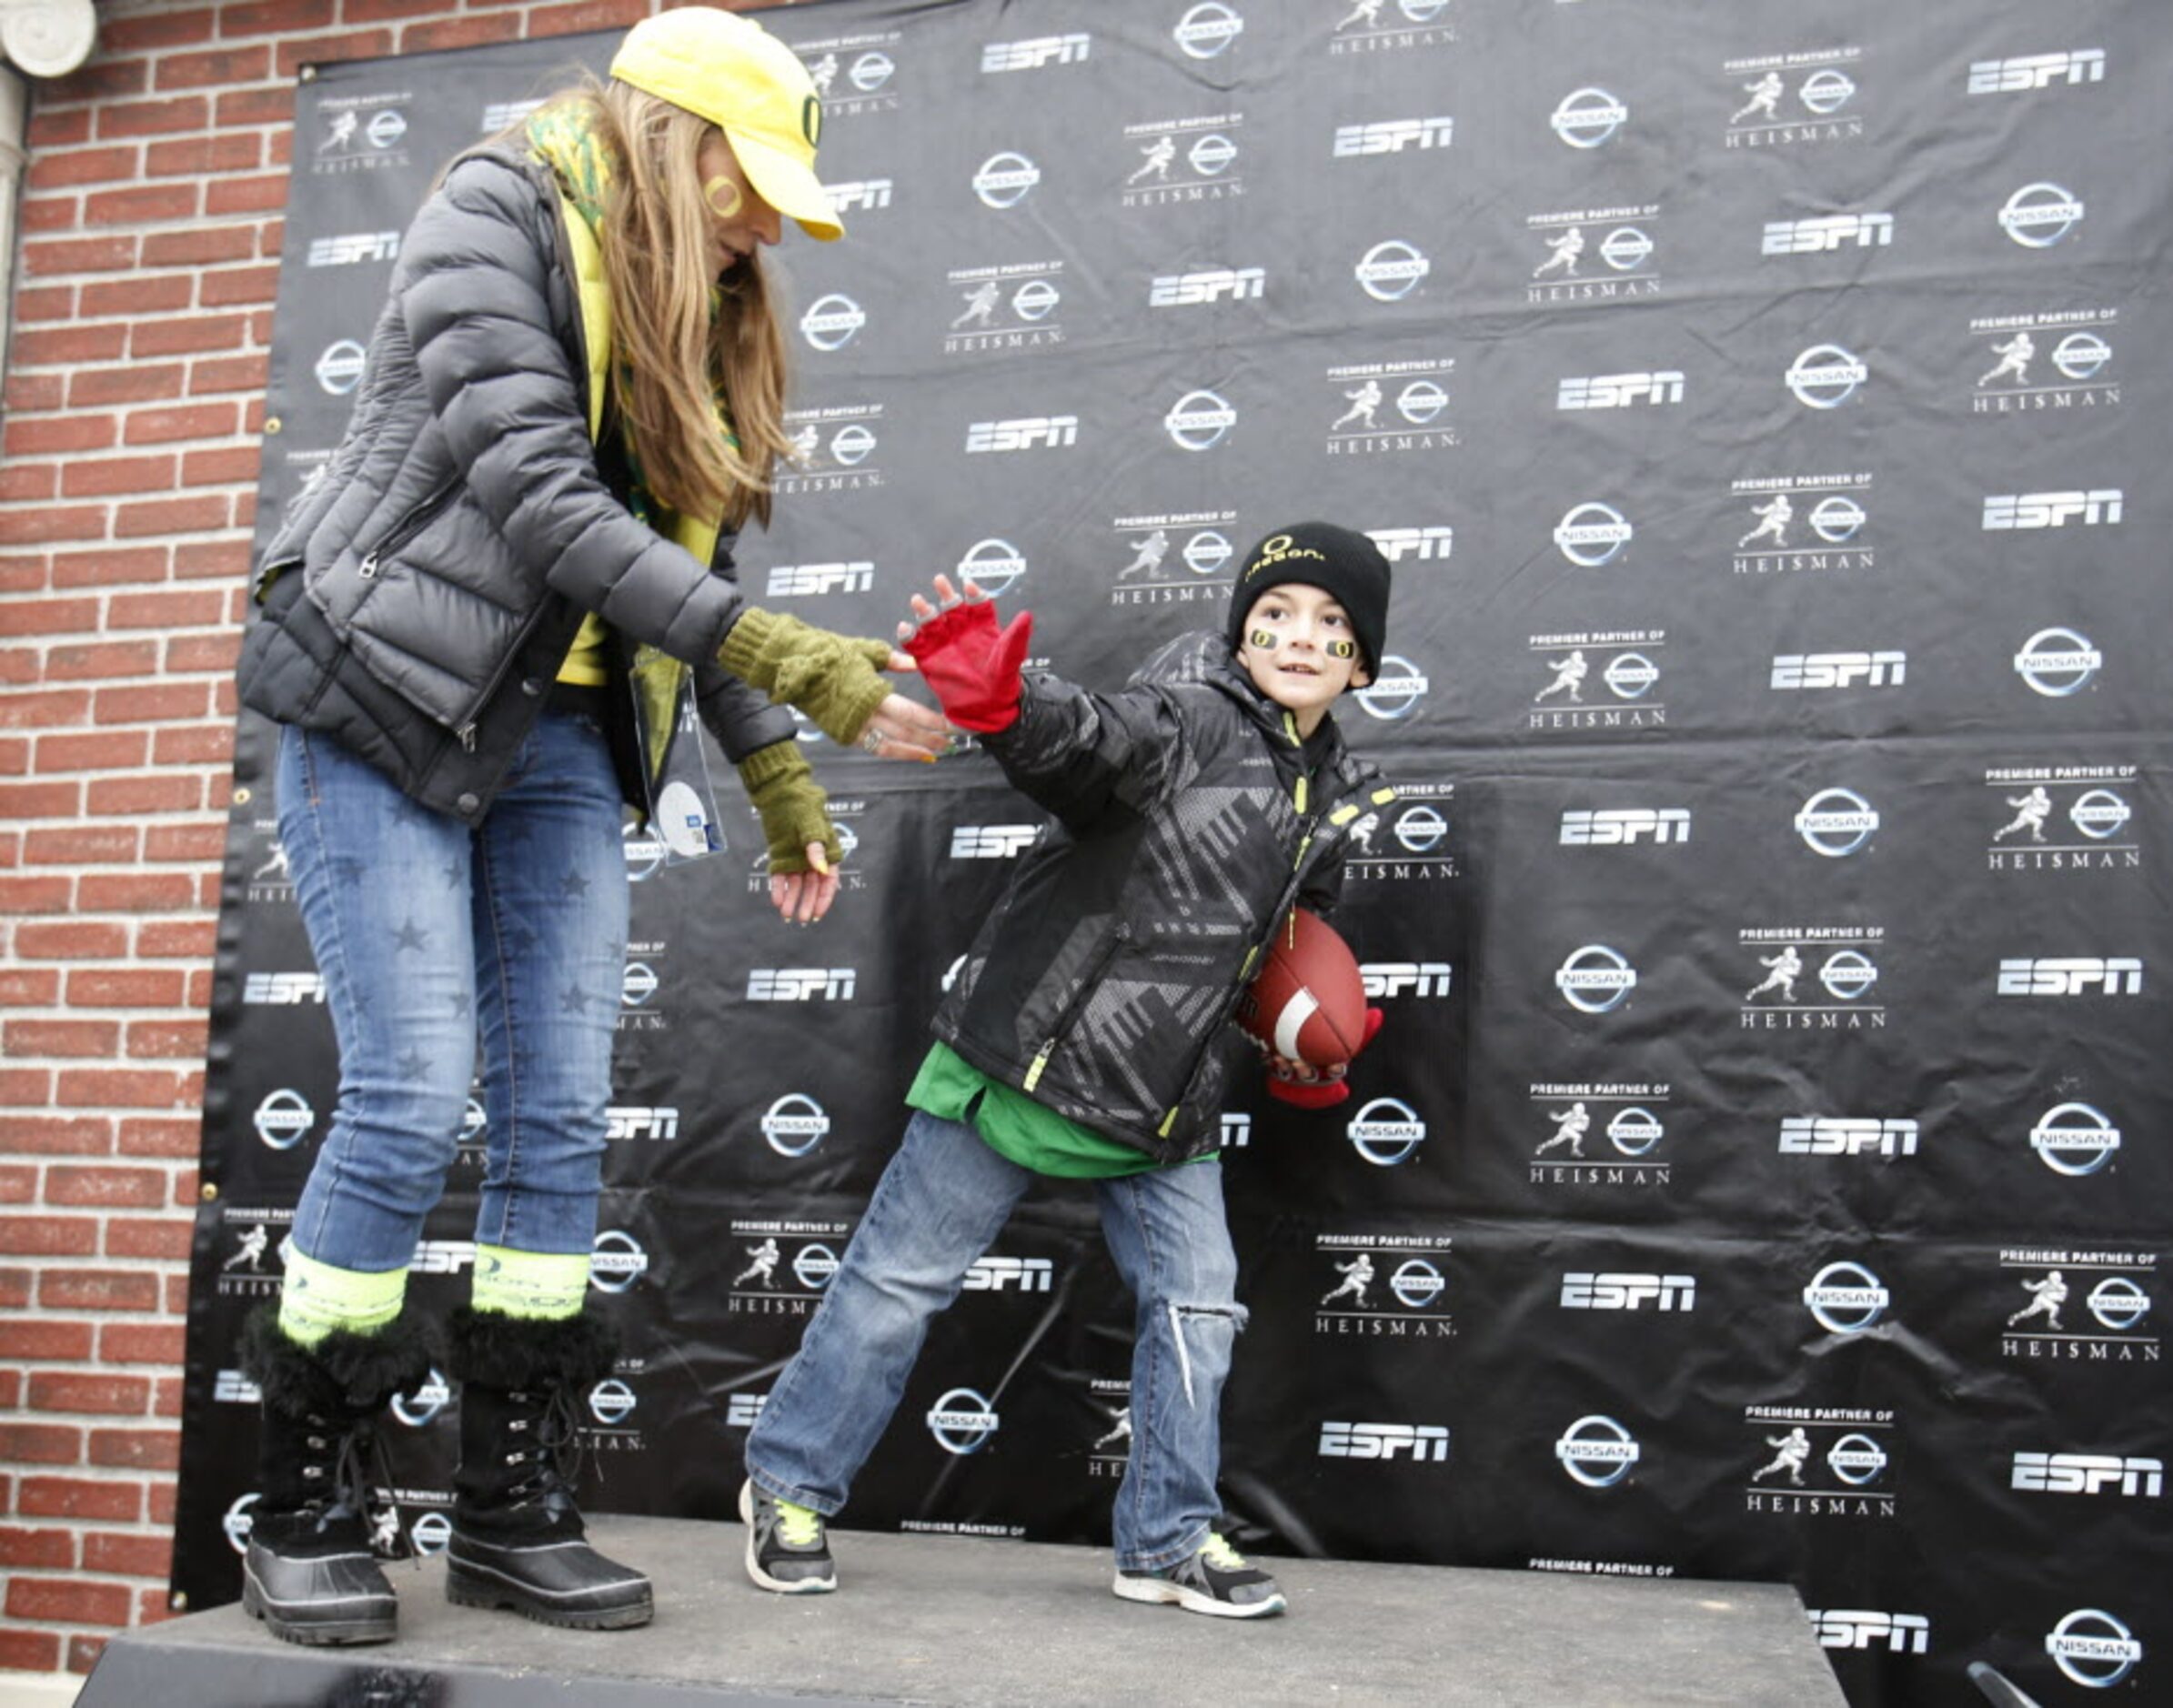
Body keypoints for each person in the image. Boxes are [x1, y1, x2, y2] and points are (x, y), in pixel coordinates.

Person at [228, 6, 949, 1648]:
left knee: (559, 1116)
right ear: (667, 136)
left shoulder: (702, 294)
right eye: (748, 180)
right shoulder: (491, 213)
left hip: (559, 731)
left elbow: (685, 570)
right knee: (413, 1094)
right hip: (384, 702)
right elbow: (544, 499)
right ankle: (310, 1499)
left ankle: (511, 1510)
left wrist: (772, 773)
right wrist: (793, 673)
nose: (765, 220)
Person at [738, 523, 1400, 1620]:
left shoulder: (1334, 792)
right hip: (1026, 1054)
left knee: (1198, 1312)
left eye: (1332, 625)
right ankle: (789, 1488)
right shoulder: (1186, 716)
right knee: (899, 1286)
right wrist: (1002, 704)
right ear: (1241, 631)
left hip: (1168, 1093)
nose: (1300, 635)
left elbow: (1288, 938)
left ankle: (1169, 1540)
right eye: (1277, 612)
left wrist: (1304, 1047)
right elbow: (1084, 740)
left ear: (1362, 663)